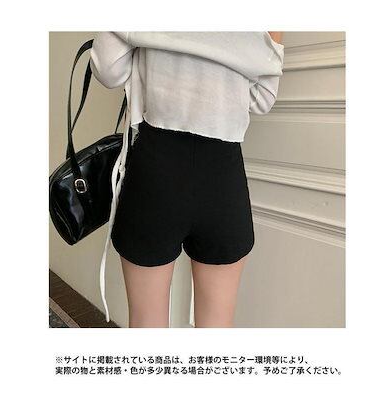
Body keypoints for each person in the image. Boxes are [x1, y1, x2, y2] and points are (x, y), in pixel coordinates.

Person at [90, 31, 284, 328]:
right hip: (222, 178)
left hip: (156, 171)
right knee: (216, 328)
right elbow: (262, 100)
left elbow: (108, 69)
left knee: (147, 327)